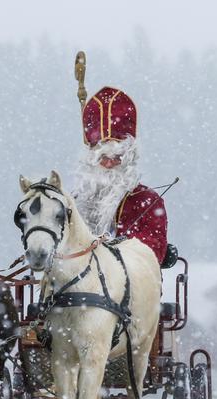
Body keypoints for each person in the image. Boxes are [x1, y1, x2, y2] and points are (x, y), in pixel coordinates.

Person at [71, 86, 171, 265]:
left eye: (116, 158)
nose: (109, 164)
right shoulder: (74, 202)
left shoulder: (147, 201)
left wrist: (109, 249)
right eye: (102, 157)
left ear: (128, 160)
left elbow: (151, 253)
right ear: (91, 160)